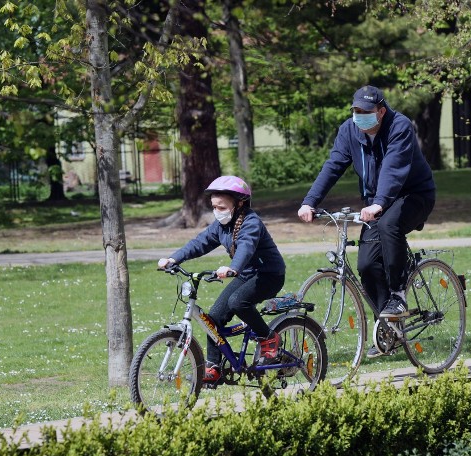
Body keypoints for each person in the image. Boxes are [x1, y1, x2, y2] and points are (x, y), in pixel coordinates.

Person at [297, 85, 436, 358]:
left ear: (381, 111)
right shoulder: (349, 131)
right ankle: (388, 328)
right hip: (377, 201)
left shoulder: (400, 127)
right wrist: (309, 201)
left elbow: (394, 168)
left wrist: (379, 203)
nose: (359, 116)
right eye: (355, 111)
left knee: (388, 225)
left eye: (365, 112)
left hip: (414, 195)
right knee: (366, 264)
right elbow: (334, 165)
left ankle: (398, 295)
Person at [158, 175, 286, 382]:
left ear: (239, 203)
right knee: (213, 319)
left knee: (238, 302)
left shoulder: (251, 222)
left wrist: (233, 268)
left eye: (222, 207)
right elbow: (200, 242)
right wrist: (174, 258)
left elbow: (246, 246)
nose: (217, 212)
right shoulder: (221, 226)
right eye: (214, 207)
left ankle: (268, 337)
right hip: (246, 274)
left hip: (269, 274)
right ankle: (214, 367)